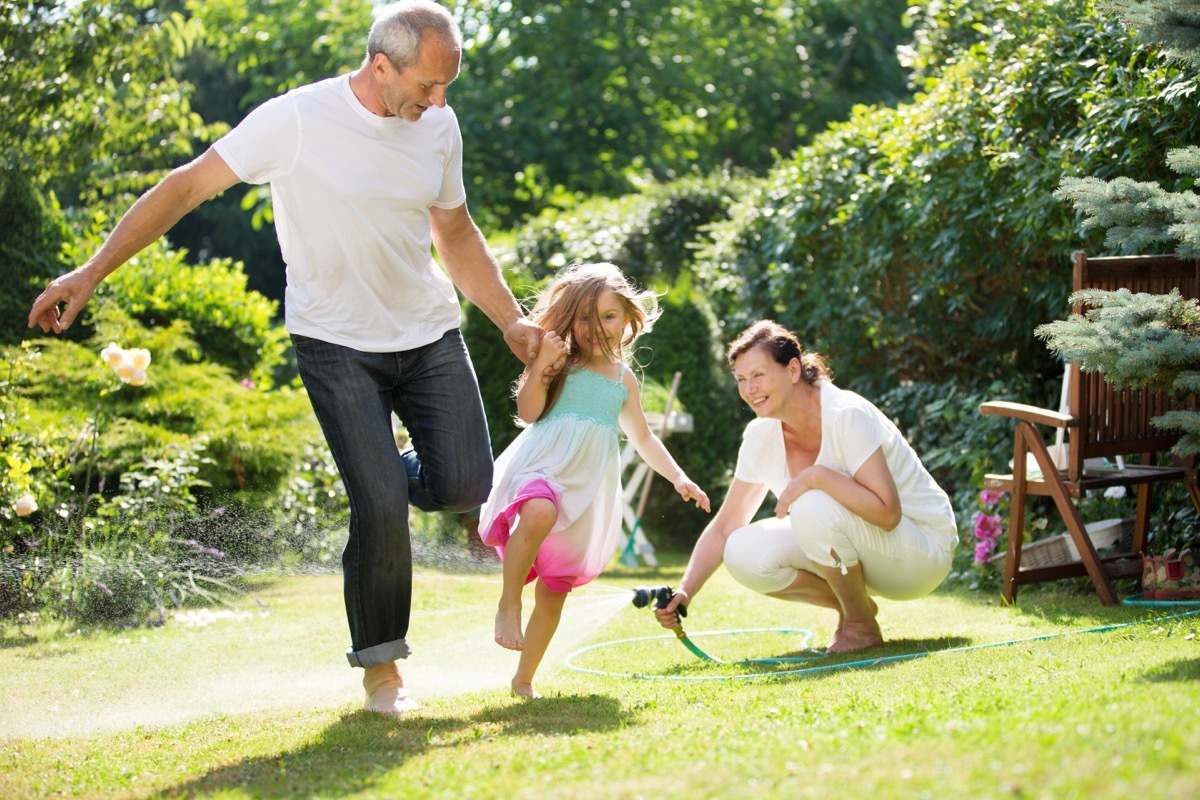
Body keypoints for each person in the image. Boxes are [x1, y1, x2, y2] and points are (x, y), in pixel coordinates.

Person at [27, 0, 548, 714]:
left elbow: (455, 233)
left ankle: (376, 475)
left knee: (463, 483)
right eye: (428, 85)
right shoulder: (295, 120)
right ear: (380, 65)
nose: (440, 101)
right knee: (381, 510)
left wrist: (512, 321)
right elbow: (185, 187)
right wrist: (89, 272)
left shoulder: (438, 127)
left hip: (427, 334)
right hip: (334, 342)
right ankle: (382, 670)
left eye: (447, 85)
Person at [478, 262, 711, 697]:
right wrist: (541, 364)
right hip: (542, 465)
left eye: (607, 316)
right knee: (539, 508)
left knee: (553, 591)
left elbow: (642, 437)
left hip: (584, 489)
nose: (595, 327)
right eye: (584, 317)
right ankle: (508, 603)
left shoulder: (624, 380)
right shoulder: (560, 360)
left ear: (627, 317)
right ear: (570, 318)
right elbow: (528, 413)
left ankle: (523, 679)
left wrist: (679, 478)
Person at [654, 320, 956, 653]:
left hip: (920, 554)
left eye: (758, 375)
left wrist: (816, 476)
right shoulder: (761, 435)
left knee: (811, 502)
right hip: (863, 552)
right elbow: (726, 527)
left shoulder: (846, 414)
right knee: (740, 549)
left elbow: (887, 514)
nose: (749, 389)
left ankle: (859, 627)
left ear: (793, 369)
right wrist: (684, 591)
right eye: (741, 379)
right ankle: (856, 608)